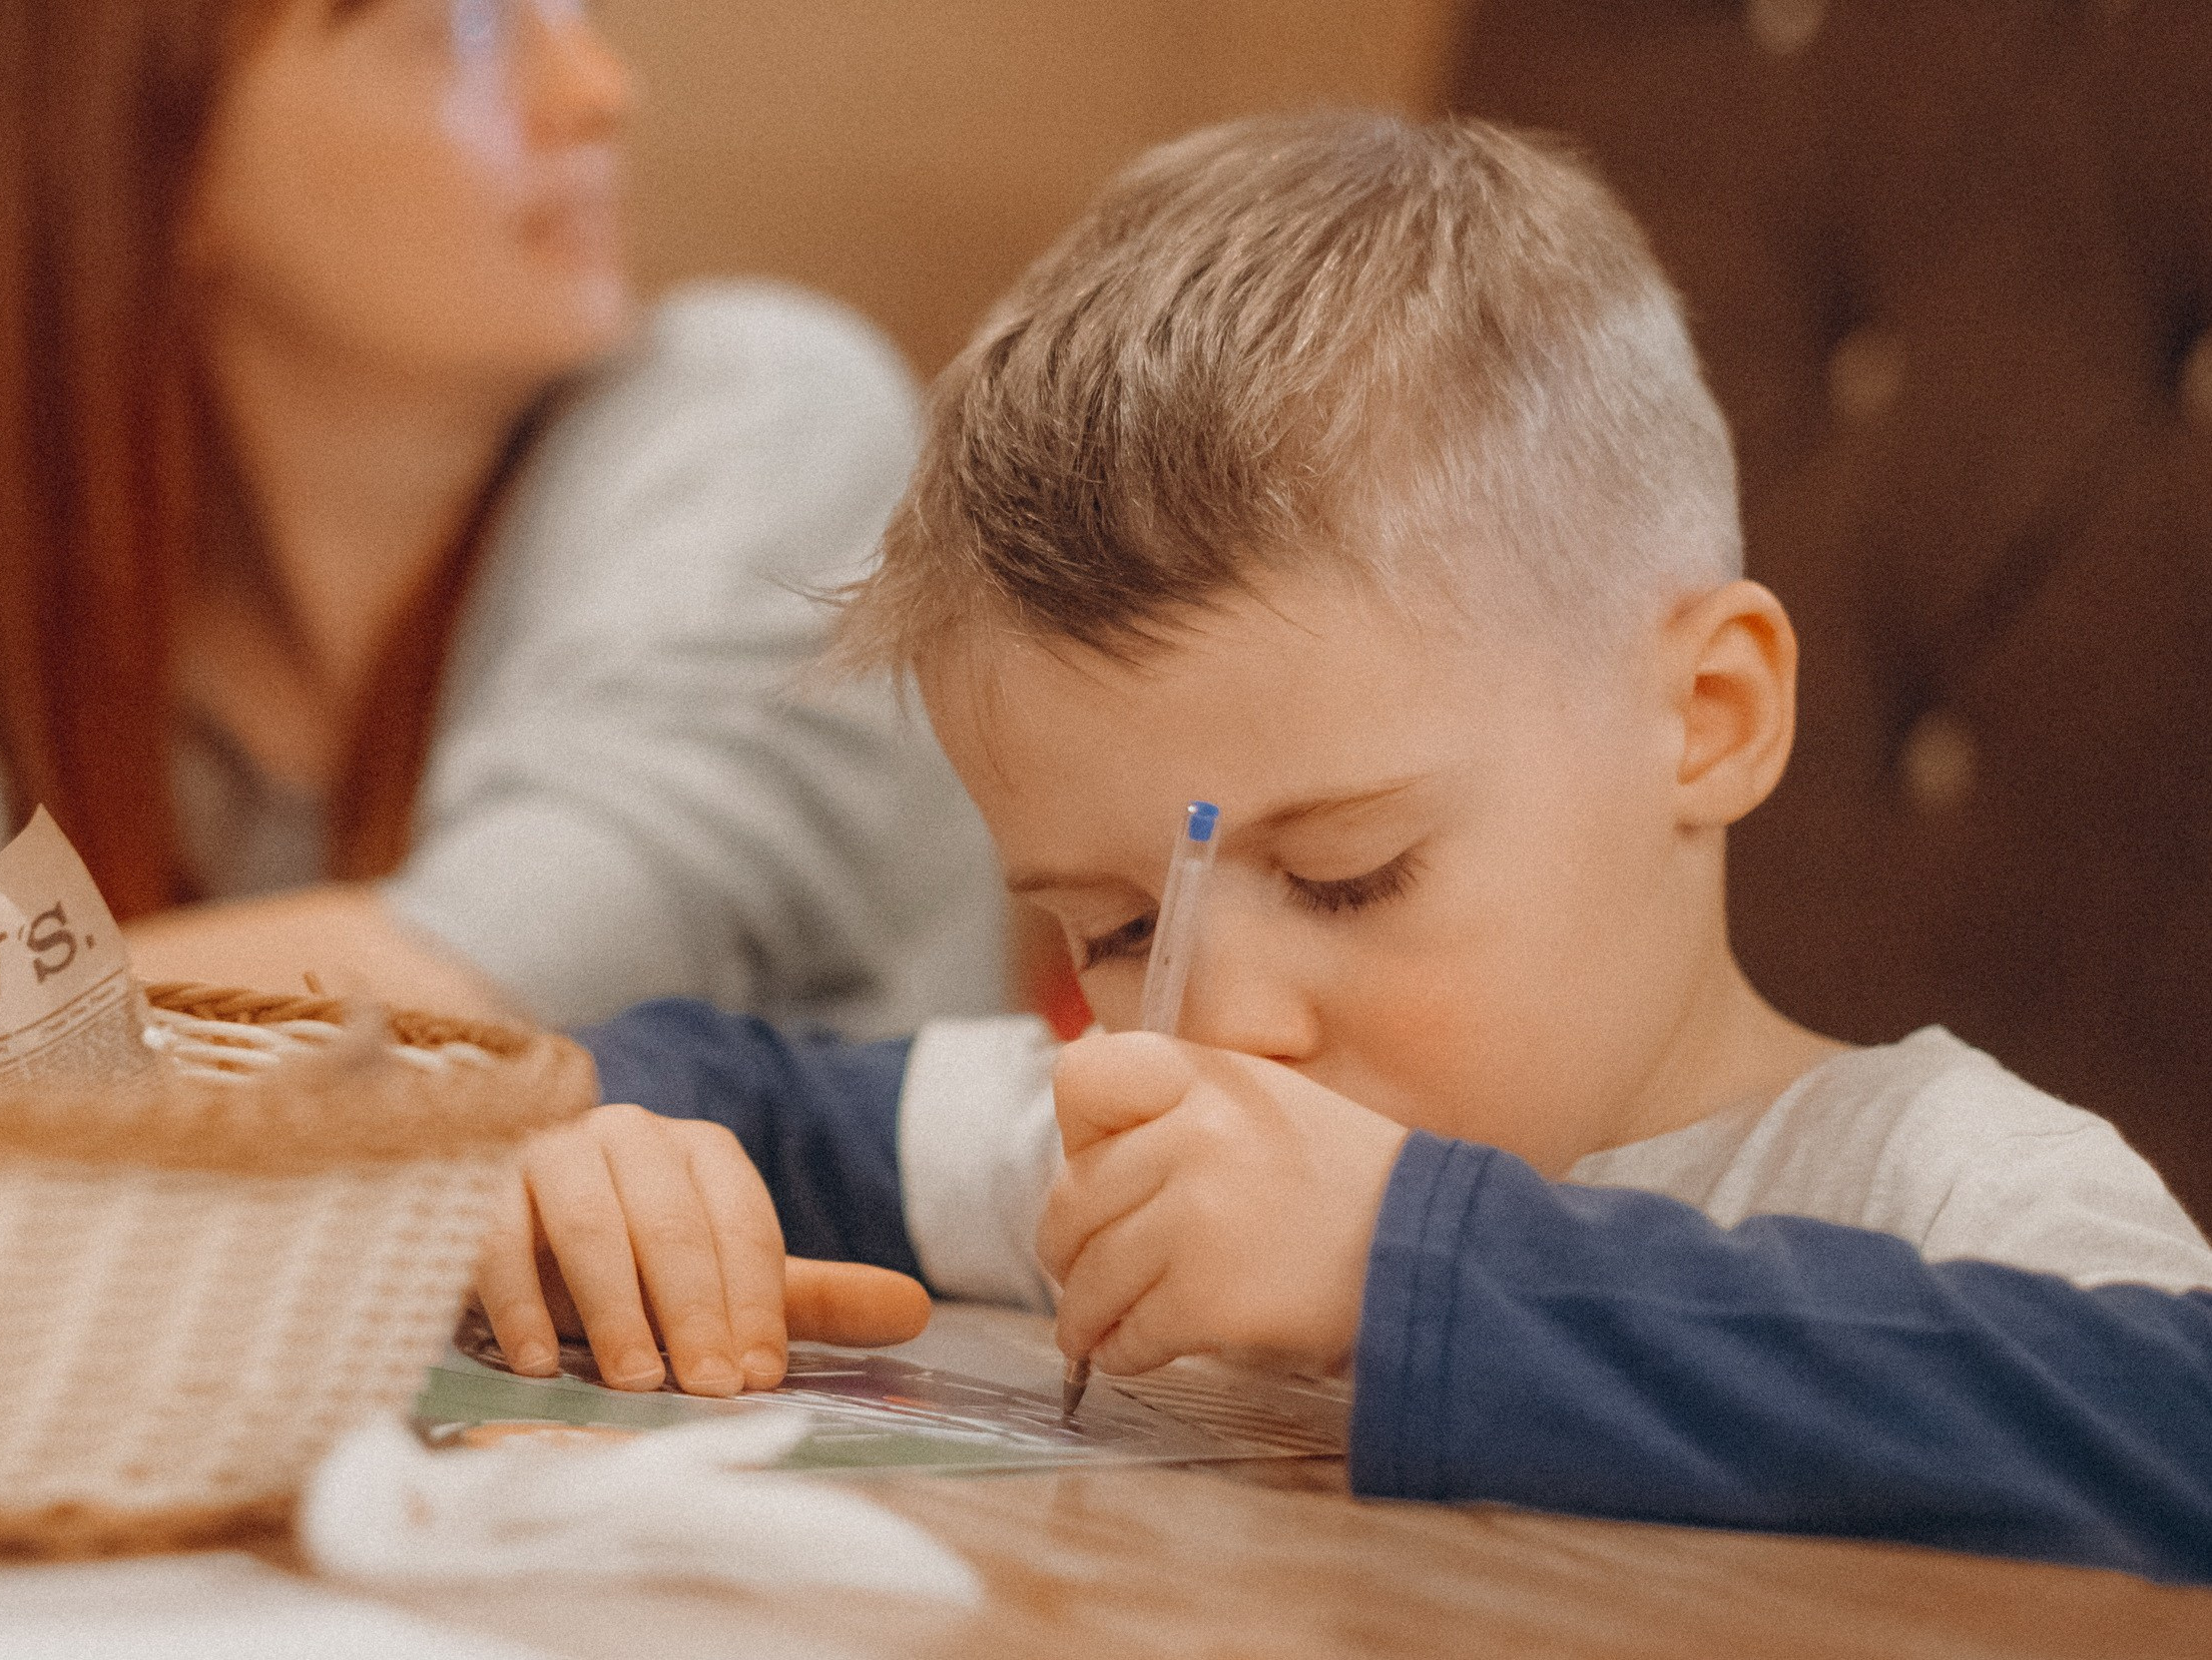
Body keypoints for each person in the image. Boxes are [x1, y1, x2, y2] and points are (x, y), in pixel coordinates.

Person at [466, 112, 2212, 1570]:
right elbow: (737, 1088)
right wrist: (614, 1151)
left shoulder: (1934, 1186)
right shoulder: (1132, 1144)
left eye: (1348, 875)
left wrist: (1415, 1268)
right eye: (1117, 930)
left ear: (1710, 716)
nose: (1224, 1025)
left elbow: (2175, 1428)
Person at [0, 0, 1006, 1039]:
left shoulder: (762, 409)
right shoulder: (24, 612)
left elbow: (485, 978)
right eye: (465, 25)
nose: (598, 90)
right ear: (158, 148)